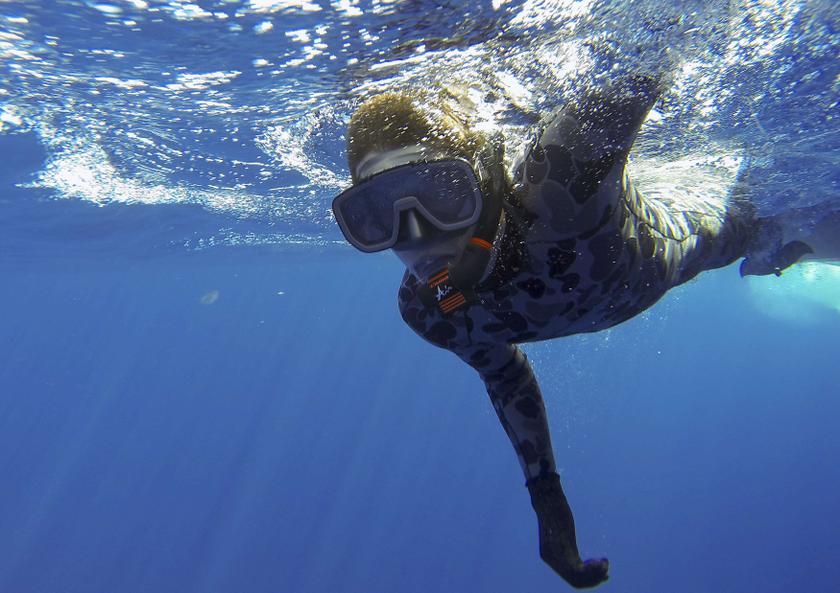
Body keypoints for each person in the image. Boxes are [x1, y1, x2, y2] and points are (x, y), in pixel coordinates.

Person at [330, 79, 825, 589]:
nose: (416, 234)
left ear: (488, 178)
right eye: (377, 212)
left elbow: (648, 44)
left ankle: (779, 246)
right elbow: (503, 375)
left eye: (442, 192)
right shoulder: (432, 313)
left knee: (778, 224)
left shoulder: (560, 177)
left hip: (739, 217)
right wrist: (546, 496)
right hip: (680, 263)